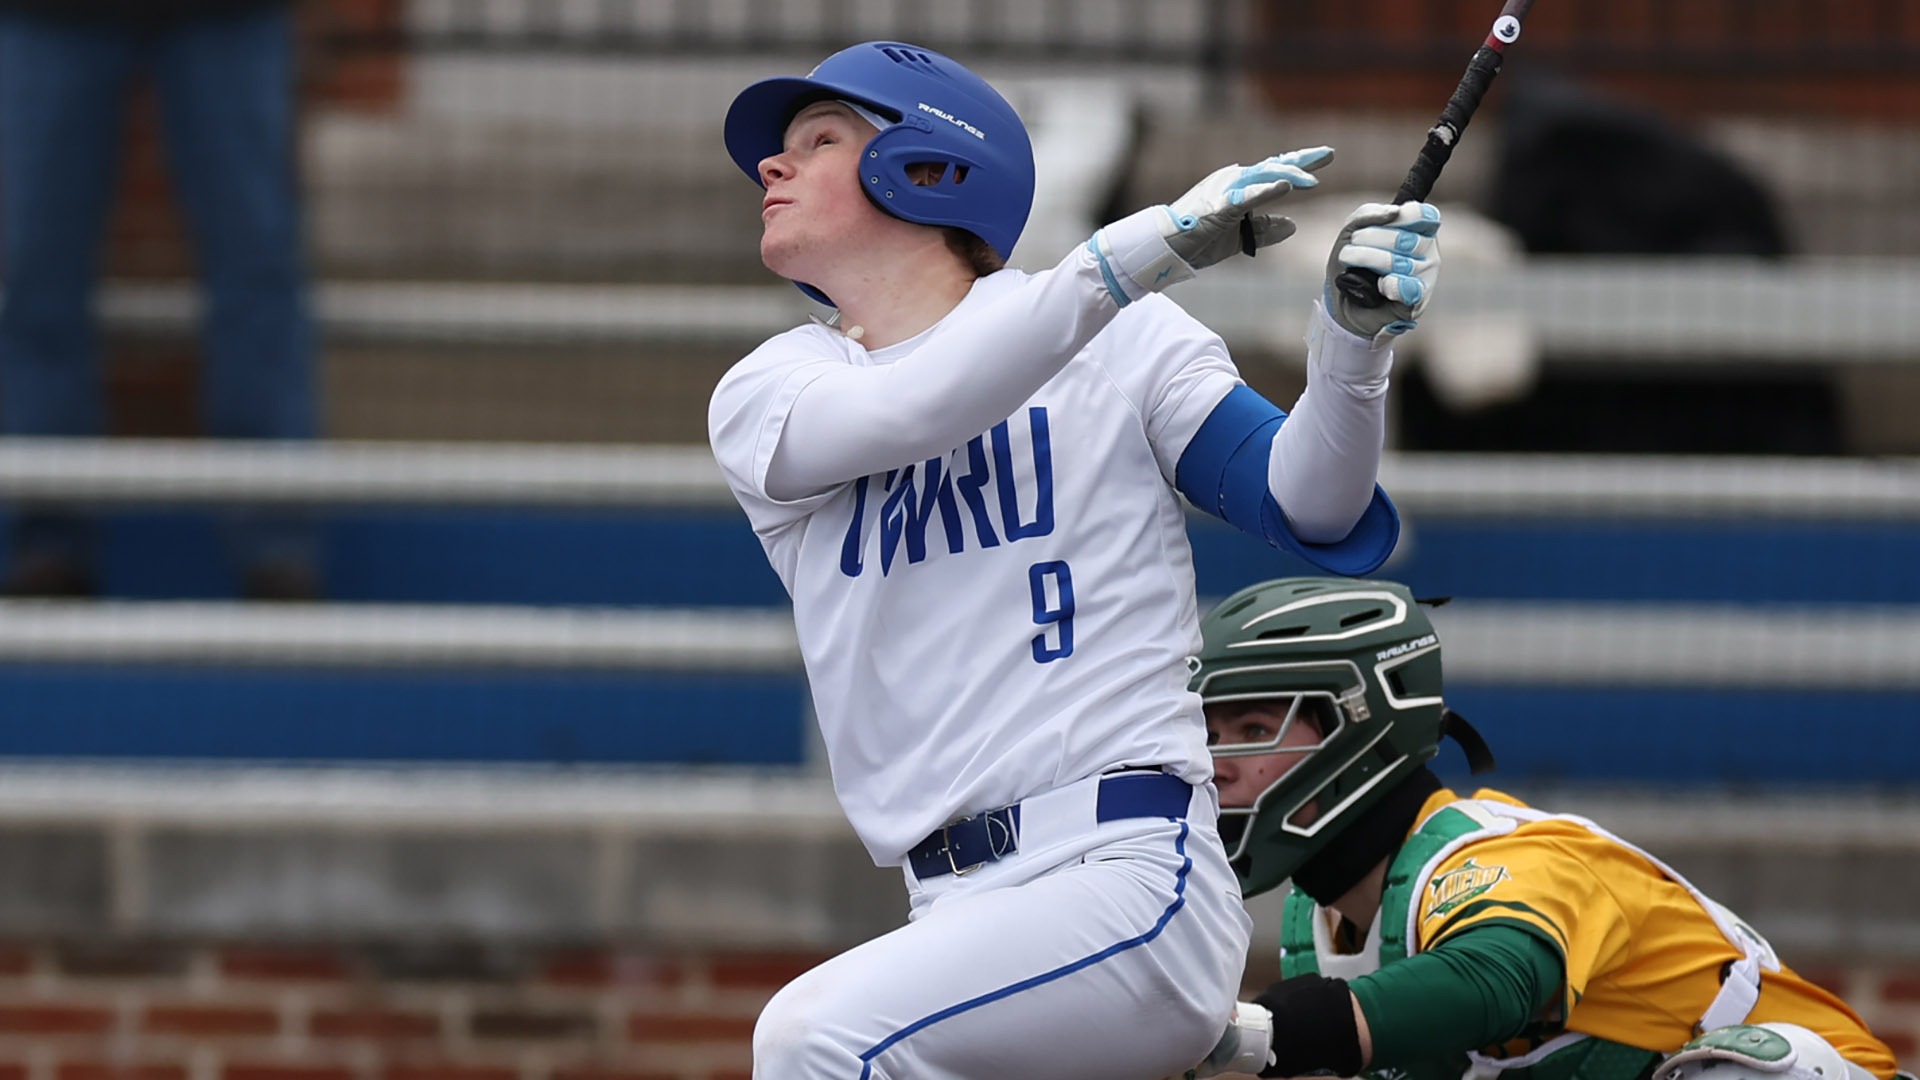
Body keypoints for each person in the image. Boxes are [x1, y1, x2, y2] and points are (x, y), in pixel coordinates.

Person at [708, 38, 1443, 1080]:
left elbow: (1309, 505)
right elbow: (923, 405)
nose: (770, 169)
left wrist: (1352, 349)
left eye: (817, 141)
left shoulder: (1123, 339)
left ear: (927, 169)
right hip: (953, 908)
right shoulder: (774, 384)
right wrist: (1135, 254)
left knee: (811, 1036)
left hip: (1123, 870)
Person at [1183, 575, 1906, 1080]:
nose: (1218, 763)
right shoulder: (1319, 919)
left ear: (1360, 728)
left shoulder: (1501, 853)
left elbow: (1493, 979)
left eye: (1252, 727)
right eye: (1209, 734)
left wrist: (1260, 1033)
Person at [0, 0, 321, 600]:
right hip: (47, 16)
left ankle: (277, 546)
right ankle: (47, 541)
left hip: (229, 16)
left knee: (259, 273)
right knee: (36, 280)